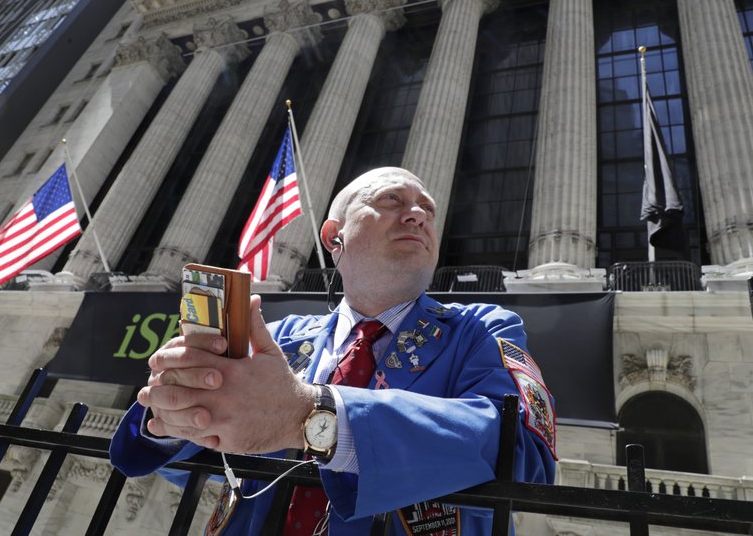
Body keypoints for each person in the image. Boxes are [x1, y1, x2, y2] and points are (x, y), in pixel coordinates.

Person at [110, 167, 557, 535]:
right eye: (391, 201)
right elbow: (200, 461)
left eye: (428, 210)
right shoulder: (281, 337)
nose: (418, 214)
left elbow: (527, 458)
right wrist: (179, 409)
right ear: (333, 235)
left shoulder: (483, 330)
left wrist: (312, 416)